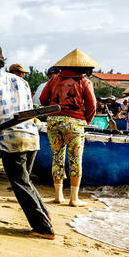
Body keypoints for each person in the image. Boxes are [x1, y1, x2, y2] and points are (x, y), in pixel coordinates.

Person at [0, 43, 54, 239]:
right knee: (25, 181)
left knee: (20, 183)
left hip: (12, 140)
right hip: (31, 136)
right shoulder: (21, 81)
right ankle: (46, 216)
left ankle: (43, 228)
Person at [38, 48, 98, 206]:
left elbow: (43, 99)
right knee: (75, 160)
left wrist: (53, 110)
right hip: (75, 123)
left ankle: (58, 196)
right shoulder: (84, 81)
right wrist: (86, 121)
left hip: (54, 122)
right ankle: (73, 198)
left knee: (57, 157)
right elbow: (92, 105)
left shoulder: (54, 79)